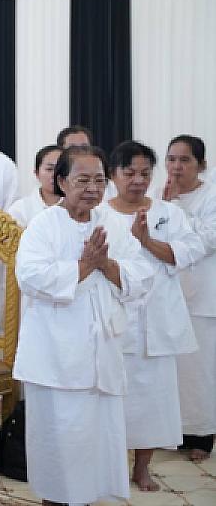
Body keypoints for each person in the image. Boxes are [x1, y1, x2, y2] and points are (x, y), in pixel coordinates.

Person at [13, 146, 152, 506]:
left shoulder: (112, 224)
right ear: (61, 181)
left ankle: (88, 498)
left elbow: (141, 274)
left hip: (100, 350)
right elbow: (29, 276)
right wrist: (83, 266)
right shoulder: (44, 225)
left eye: (99, 180)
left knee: (95, 440)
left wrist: (106, 266)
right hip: (54, 355)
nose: (92, 188)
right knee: (59, 440)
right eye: (83, 180)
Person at [100, 140, 203, 491]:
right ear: (113, 175)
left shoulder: (168, 213)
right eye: (129, 173)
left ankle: (142, 468)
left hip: (157, 321)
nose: (138, 180)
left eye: (145, 173)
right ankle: (110, 467)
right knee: (112, 398)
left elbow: (187, 252)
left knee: (154, 400)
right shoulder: (99, 213)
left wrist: (146, 241)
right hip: (115, 321)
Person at [166, 135, 216, 462]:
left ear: (202, 165)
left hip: (202, 296)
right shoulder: (164, 196)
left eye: (185, 160)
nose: (177, 166)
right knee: (172, 370)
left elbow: (209, 238)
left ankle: (201, 434)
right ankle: (173, 430)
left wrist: (173, 211)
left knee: (199, 370)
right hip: (170, 295)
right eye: (172, 159)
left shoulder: (210, 195)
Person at [7, 145, 62, 227]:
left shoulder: (78, 206)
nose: (54, 175)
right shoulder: (20, 209)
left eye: (60, 169)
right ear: (37, 173)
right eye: (49, 169)